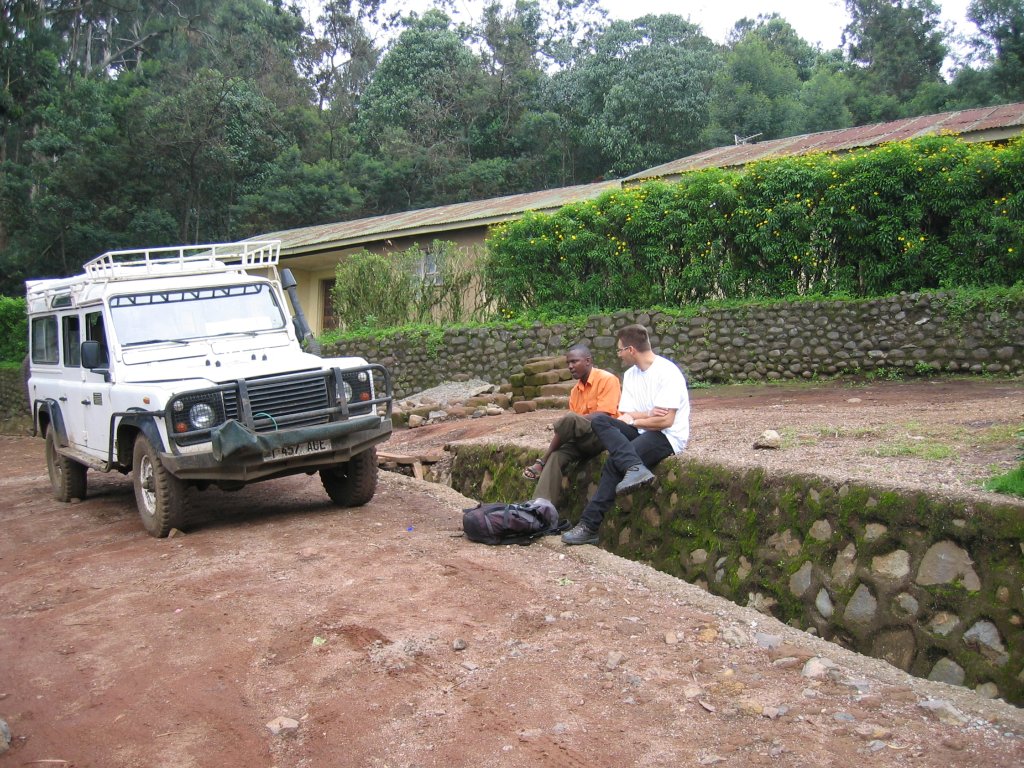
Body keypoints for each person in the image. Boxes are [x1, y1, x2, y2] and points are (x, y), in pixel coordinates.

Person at [561, 324, 690, 545]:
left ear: (631, 350)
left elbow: (665, 421)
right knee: (600, 420)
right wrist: (646, 414)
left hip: (666, 436)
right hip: (641, 429)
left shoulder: (668, 373)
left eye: (620, 350)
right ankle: (635, 467)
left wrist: (637, 419)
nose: (618, 355)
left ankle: (589, 526)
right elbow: (627, 413)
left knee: (614, 463)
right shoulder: (630, 375)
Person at [522, 344, 621, 507]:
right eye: (568, 363)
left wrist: (575, 420)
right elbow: (574, 426)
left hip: (603, 436)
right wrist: (573, 423)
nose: (570, 366)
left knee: (570, 419)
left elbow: (604, 415)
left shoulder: (607, 380)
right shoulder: (575, 391)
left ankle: (541, 461)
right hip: (583, 439)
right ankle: (541, 507)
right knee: (556, 456)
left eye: (574, 361)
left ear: (588, 361)